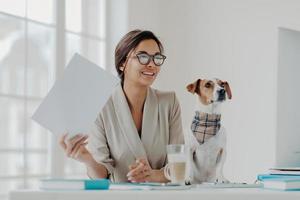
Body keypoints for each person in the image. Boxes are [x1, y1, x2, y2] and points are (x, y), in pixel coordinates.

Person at [59, 30, 183, 183]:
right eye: (143, 57)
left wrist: (153, 175)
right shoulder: (101, 105)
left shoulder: (169, 102)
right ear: (123, 63)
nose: (152, 64)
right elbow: (102, 175)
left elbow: (180, 165)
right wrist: (87, 159)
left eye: (157, 58)